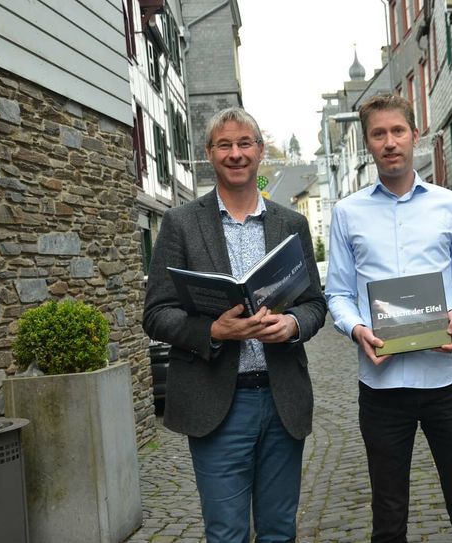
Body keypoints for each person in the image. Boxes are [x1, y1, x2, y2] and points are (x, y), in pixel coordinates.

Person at [143, 107, 326, 542]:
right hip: (217, 404)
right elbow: (156, 313)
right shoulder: (181, 224)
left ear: (260, 151)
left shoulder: (291, 224)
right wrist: (212, 332)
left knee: (280, 530)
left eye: (245, 143)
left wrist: (293, 325)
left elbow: (315, 303)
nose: (236, 153)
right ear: (209, 153)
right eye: (224, 145)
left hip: (282, 399)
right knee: (226, 533)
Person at [326, 94, 452, 543]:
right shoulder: (347, 213)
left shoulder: (450, 205)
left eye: (398, 131)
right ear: (368, 144)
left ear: (414, 136)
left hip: (446, 382)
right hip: (381, 388)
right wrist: (356, 328)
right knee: (388, 516)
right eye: (378, 134)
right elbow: (337, 293)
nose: (390, 142)